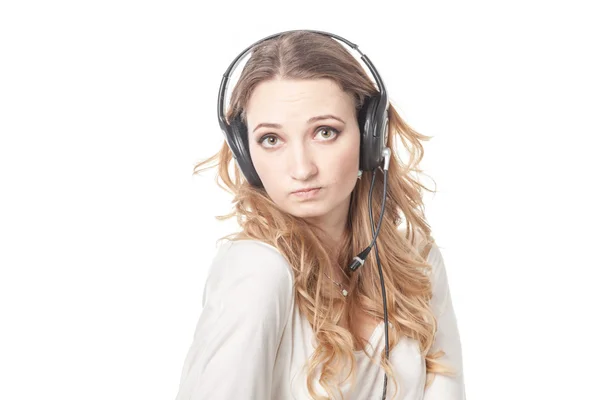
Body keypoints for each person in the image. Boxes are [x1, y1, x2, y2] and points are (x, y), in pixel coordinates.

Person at [175, 30, 465, 400]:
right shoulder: (257, 268)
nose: (301, 168)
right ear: (245, 154)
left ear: (369, 137)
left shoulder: (416, 259)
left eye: (324, 132)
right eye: (271, 139)